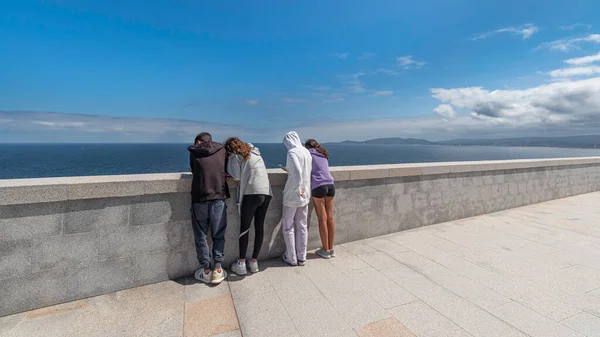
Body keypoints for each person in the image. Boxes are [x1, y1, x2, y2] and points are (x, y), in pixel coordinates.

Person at [224, 137, 272, 275]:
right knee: (259, 227)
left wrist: (229, 163)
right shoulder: (255, 153)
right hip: (267, 192)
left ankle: (241, 263)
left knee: (245, 228)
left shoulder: (235, 155)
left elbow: (236, 176)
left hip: (252, 193)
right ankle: (254, 261)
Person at [188, 132, 229, 285]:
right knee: (218, 234)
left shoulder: (194, 151)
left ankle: (206, 270)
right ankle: (218, 269)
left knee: (201, 235)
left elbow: (193, 170)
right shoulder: (222, 150)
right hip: (218, 197)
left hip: (200, 198)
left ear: (198, 141)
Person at [281, 131, 312, 266]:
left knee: (288, 226)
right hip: (305, 193)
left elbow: (298, 171)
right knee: (302, 225)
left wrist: (297, 187)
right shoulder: (306, 152)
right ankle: (302, 257)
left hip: (293, 194)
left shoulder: (292, 152)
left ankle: (291, 257)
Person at [305, 139, 336, 259]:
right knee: (330, 217)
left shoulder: (308, 154)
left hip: (318, 186)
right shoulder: (323, 154)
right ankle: (331, 249)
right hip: (330, 184)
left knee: (322, 219)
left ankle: (325, 249)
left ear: (307, 147)